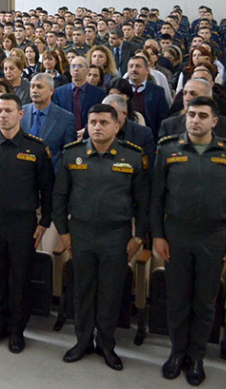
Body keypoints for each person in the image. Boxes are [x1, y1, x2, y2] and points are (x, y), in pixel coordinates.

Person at [152, 96, 226, 385]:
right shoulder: (168, 149)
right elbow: (156, 198)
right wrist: (157, 235)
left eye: (202, 115)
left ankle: (196, 356)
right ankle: (177, 353)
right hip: (177, 236)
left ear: (214, 121)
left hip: (214, 238)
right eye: (191, 114)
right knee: (177, 299)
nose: (195, 120)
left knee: (204, 302)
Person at [54, 104, 149, 371]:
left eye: (104, 122)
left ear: (117, 126)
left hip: (116, 235)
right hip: (81, 232)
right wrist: (63, 231)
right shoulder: (72, 154)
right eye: (93, 122)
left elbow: (144, 202)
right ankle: (82, 341)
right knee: (82, 290)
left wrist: (139, 236)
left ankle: (106, 344)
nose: (97, 127)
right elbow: (60, 196)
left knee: (110, 292)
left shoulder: (133, 157)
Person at [0, 93, 54, 353]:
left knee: (20, 278)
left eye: (8, 110)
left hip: (23, 223)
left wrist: (44, 222)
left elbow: (47, 189)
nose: (3, 115)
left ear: (21, 114)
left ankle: (17, 330)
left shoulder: (36, 148)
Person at [53, 56, 105, 133]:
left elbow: (101, 115)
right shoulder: (59, 92)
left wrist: (86, 130)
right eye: (73, 66)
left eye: (80, 66)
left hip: (89, 134)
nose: (76, 69)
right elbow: (56, 116)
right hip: (64, 134)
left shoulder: (99, 93)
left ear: (87, 70)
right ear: (70, 70)